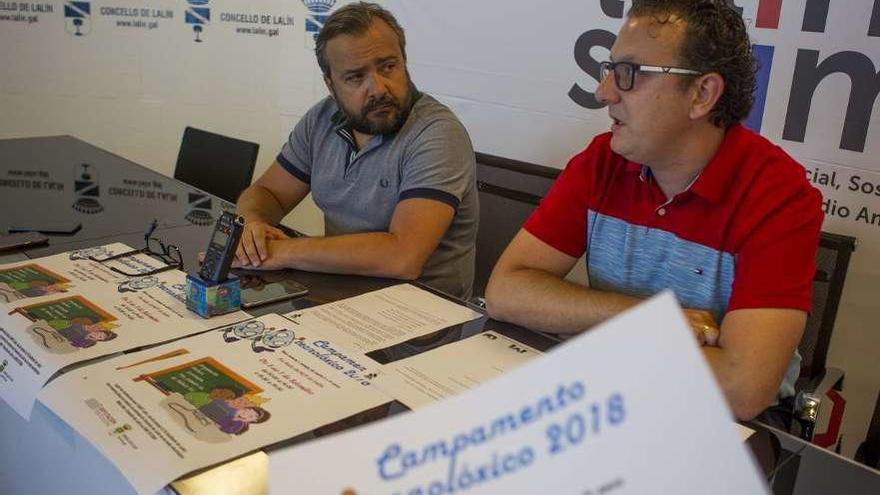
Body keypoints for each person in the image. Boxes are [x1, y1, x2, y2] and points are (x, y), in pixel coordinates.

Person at [485, 0, 823, 423]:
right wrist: (647, 320)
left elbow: (741, 389)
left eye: (628, 74)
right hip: (612, 395)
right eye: (609, 70)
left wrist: (581, 325)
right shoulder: (601, 161)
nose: (603, 92)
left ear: (701, 94)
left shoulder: (778, 194)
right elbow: (505, 292)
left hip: (725, 427)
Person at [234, 2, 477, 299]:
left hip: (422, 321)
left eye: (388, 66)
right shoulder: (320, 119)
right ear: (331, 84)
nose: (377, 88)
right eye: (355, 77)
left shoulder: (437, 133)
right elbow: (268, 193)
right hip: (341, 295)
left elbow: (402, 256)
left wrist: (280, 252)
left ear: (404, 61)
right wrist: (251, 226)